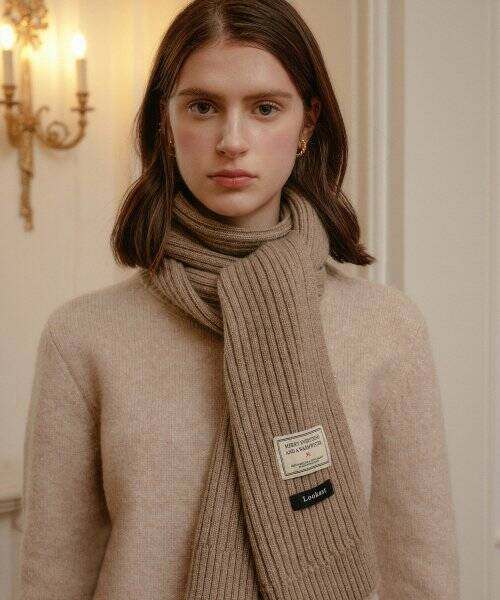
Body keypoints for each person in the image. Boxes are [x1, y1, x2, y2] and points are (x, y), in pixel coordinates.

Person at [16, 0, 461, 598]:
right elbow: (53, 576)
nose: (231, 141)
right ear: (165, 121)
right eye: (202, 107)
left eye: (265, 108)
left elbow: (419, 568)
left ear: (307, 125)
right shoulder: (83, 337)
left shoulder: (386, 328)